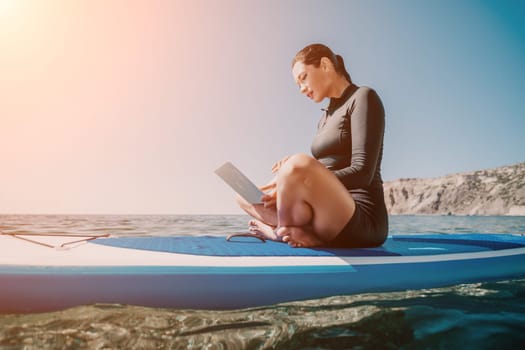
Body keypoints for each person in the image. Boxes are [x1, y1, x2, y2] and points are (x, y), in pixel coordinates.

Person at [236, 43, 388, 248]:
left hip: (360, 218)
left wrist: (299, 172)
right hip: (322, 214)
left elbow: (363, 172)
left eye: (303, 78)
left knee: (297, 163)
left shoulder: (363, 97)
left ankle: (280, 231)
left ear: (325, 65)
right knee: (244, 196)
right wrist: (288, 177)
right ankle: (296, 229)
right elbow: (323, 168)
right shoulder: (325, 117)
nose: (301, 89)